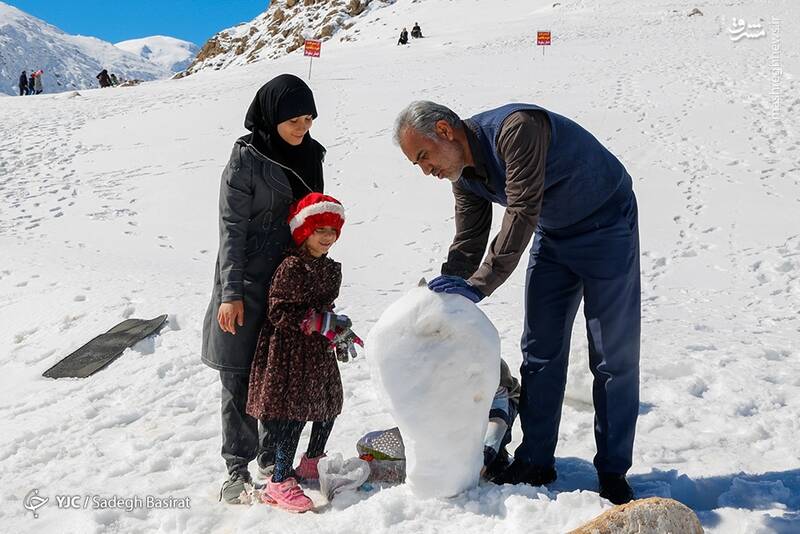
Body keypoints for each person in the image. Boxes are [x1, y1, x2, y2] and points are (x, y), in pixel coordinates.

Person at [393, 100, 640, 505]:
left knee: (612, 356)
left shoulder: (516, 130)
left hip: (606, 225)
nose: (426, 170)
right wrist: (446, 289)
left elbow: (523, 208)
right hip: (555, 237)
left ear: (445, 130)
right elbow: (469, 240)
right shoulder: (464, 175)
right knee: (540, 350)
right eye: (416, 164)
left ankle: (613, 472)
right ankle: (536, 461)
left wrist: (481, 284)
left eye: (424, 156)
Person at [201, 74, 327, 504]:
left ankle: (275, 461)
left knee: (280, 373)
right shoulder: (246, 158)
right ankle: (236, 470)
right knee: (238, 376)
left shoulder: (312, 155)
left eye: (309, 118)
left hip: (289, 282)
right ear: (272, 116)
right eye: (294, 119)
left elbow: (313, 218)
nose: (303, 127)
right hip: (248, 282)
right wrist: (229, 292)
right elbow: (231, 229)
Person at [246, 192, 358, 513]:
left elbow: (326, 307)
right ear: (304, 231)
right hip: (289, 350)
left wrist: (337, 328)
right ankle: (279, 481)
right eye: (321, 230)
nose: (328, 238)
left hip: (318, 349)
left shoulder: (331, 269)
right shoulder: (291, 267)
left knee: (328, 404)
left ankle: (312, 462)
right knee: (294, 414)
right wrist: (314, 320)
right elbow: (278, 311)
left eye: (333, 231)